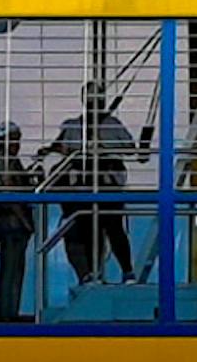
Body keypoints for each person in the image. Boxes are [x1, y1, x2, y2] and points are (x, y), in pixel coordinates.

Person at [47, 95, 139, 288]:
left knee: (114, 229)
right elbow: (59, 146)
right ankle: (92, 275)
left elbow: (131, 149)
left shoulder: (112, 124)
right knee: (88, 231)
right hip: (84, 187)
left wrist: (105, 148)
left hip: (108, 186)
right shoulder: (73, 126)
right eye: (90, 101)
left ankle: (127, 271)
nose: (94, 105)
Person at [0, 119, 38, 321]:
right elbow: (9, 194)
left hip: (10, 226)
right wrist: (26, 223)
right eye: (13, 139)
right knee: (11, 272)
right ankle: (6, 314)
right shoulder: (4, 163)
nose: (17, 144)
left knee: (12, 271)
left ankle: (7, 311)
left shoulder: (6, 162)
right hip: (12, 226)